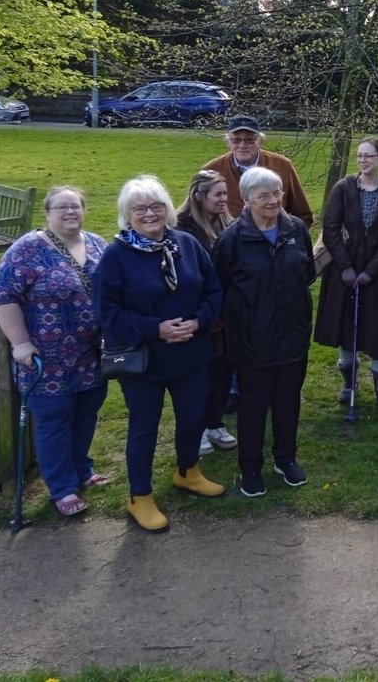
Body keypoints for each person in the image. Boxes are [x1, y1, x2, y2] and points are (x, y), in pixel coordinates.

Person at [96, 175, 225, 533]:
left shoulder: (186, 243)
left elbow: (214, 291)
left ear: (167, 209)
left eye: (156, 206)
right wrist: (157, 328)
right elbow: (108, 314)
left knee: (193, 417)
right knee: (144, 427)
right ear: (127, 215)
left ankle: (188, 472)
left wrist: (198, 322)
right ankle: (140, 496)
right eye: (140, 209)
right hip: (144, 360)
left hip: (191, 352)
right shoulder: (116, 256)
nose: (150, 214)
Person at [0, 185, 108, 518]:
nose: (70, 212)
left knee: (86, 413)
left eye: (76, 206)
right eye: (62, 207)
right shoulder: (28, 249)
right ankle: (62, 487)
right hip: (47, 358)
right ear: (47, 213)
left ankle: (82, 470)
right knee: (54, 420)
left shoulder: (98, 244)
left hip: (91, 355)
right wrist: (20, 342)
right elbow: (2, 294)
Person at [212, 167, 315, 497]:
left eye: (277, 193)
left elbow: (307, 274)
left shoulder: (296, 230)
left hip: (293, 336)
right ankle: (250, 467)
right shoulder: (232, 239)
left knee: (288, 402)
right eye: (263, 196)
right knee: (253, 407)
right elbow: (220, 285)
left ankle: (285, 459)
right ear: (246, 200)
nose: (272, 201)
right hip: (251, 341)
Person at [313, 137, 378, 410]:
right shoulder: (343, 188)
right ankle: (348, 383)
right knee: (345, 326)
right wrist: (346, 268)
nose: (363, 160)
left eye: (368, 156)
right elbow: (330, 229)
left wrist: (371, 271)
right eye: (359, 156)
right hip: (345, 270)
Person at [175, 169, 236, 458]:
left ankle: (214, 423)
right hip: (198, 312)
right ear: (199, 197)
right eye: (218, 194)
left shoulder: (227, 224)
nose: (224, 199)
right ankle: (195, 429)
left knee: (223, 371)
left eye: (225, 193)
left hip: (226, 313)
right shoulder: (182, 229)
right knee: (201, 376)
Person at [200, 115, 313, 225]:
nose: (242, 145)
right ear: (228, 141)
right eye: (236, 140)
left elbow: (302, 214)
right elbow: (200, 214)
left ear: (260, 141)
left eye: (250, 140)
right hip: (228, 239)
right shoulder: (212, 170)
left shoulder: (282, 165)